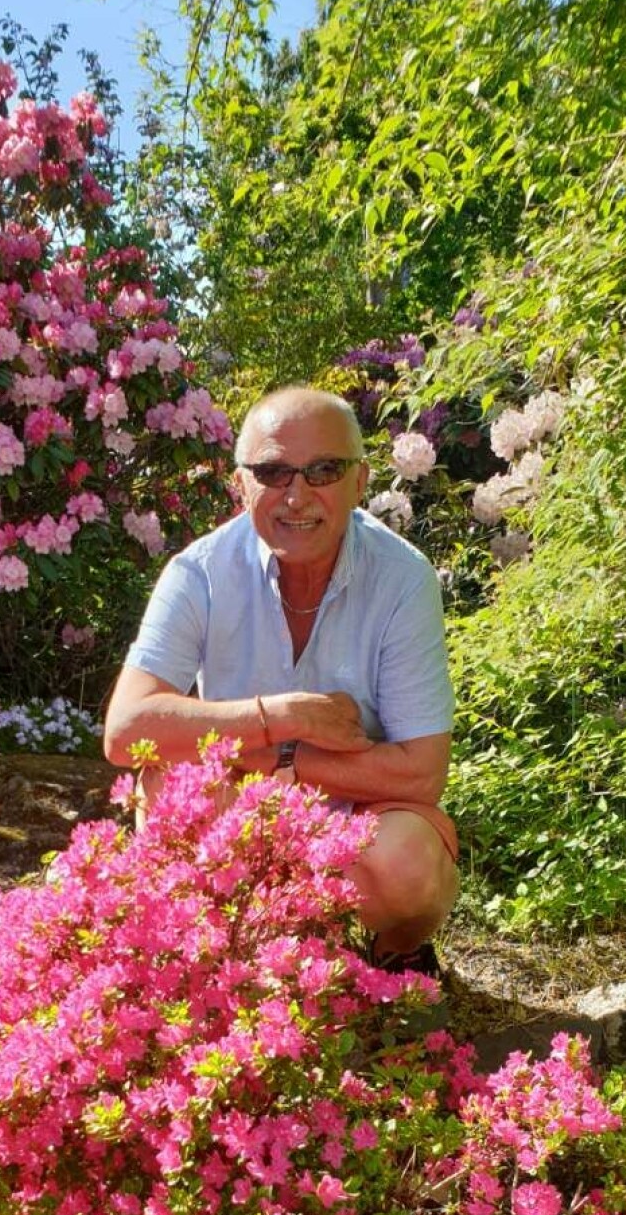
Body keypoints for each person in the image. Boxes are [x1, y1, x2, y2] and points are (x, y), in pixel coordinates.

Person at [103, 384, 459, 969]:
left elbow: (422, 775)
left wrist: (283, 763)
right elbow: (126, 731)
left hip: (357, 814)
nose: (297, 495)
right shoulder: (198, 572)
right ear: (240, 483)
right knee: (167, 788)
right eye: (273, 471)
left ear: (360, 481)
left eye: (323, 469)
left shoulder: (402, 578)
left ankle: (384, 966)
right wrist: (286, 715)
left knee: (408, 861)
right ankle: (218, 972)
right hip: (241, 806)